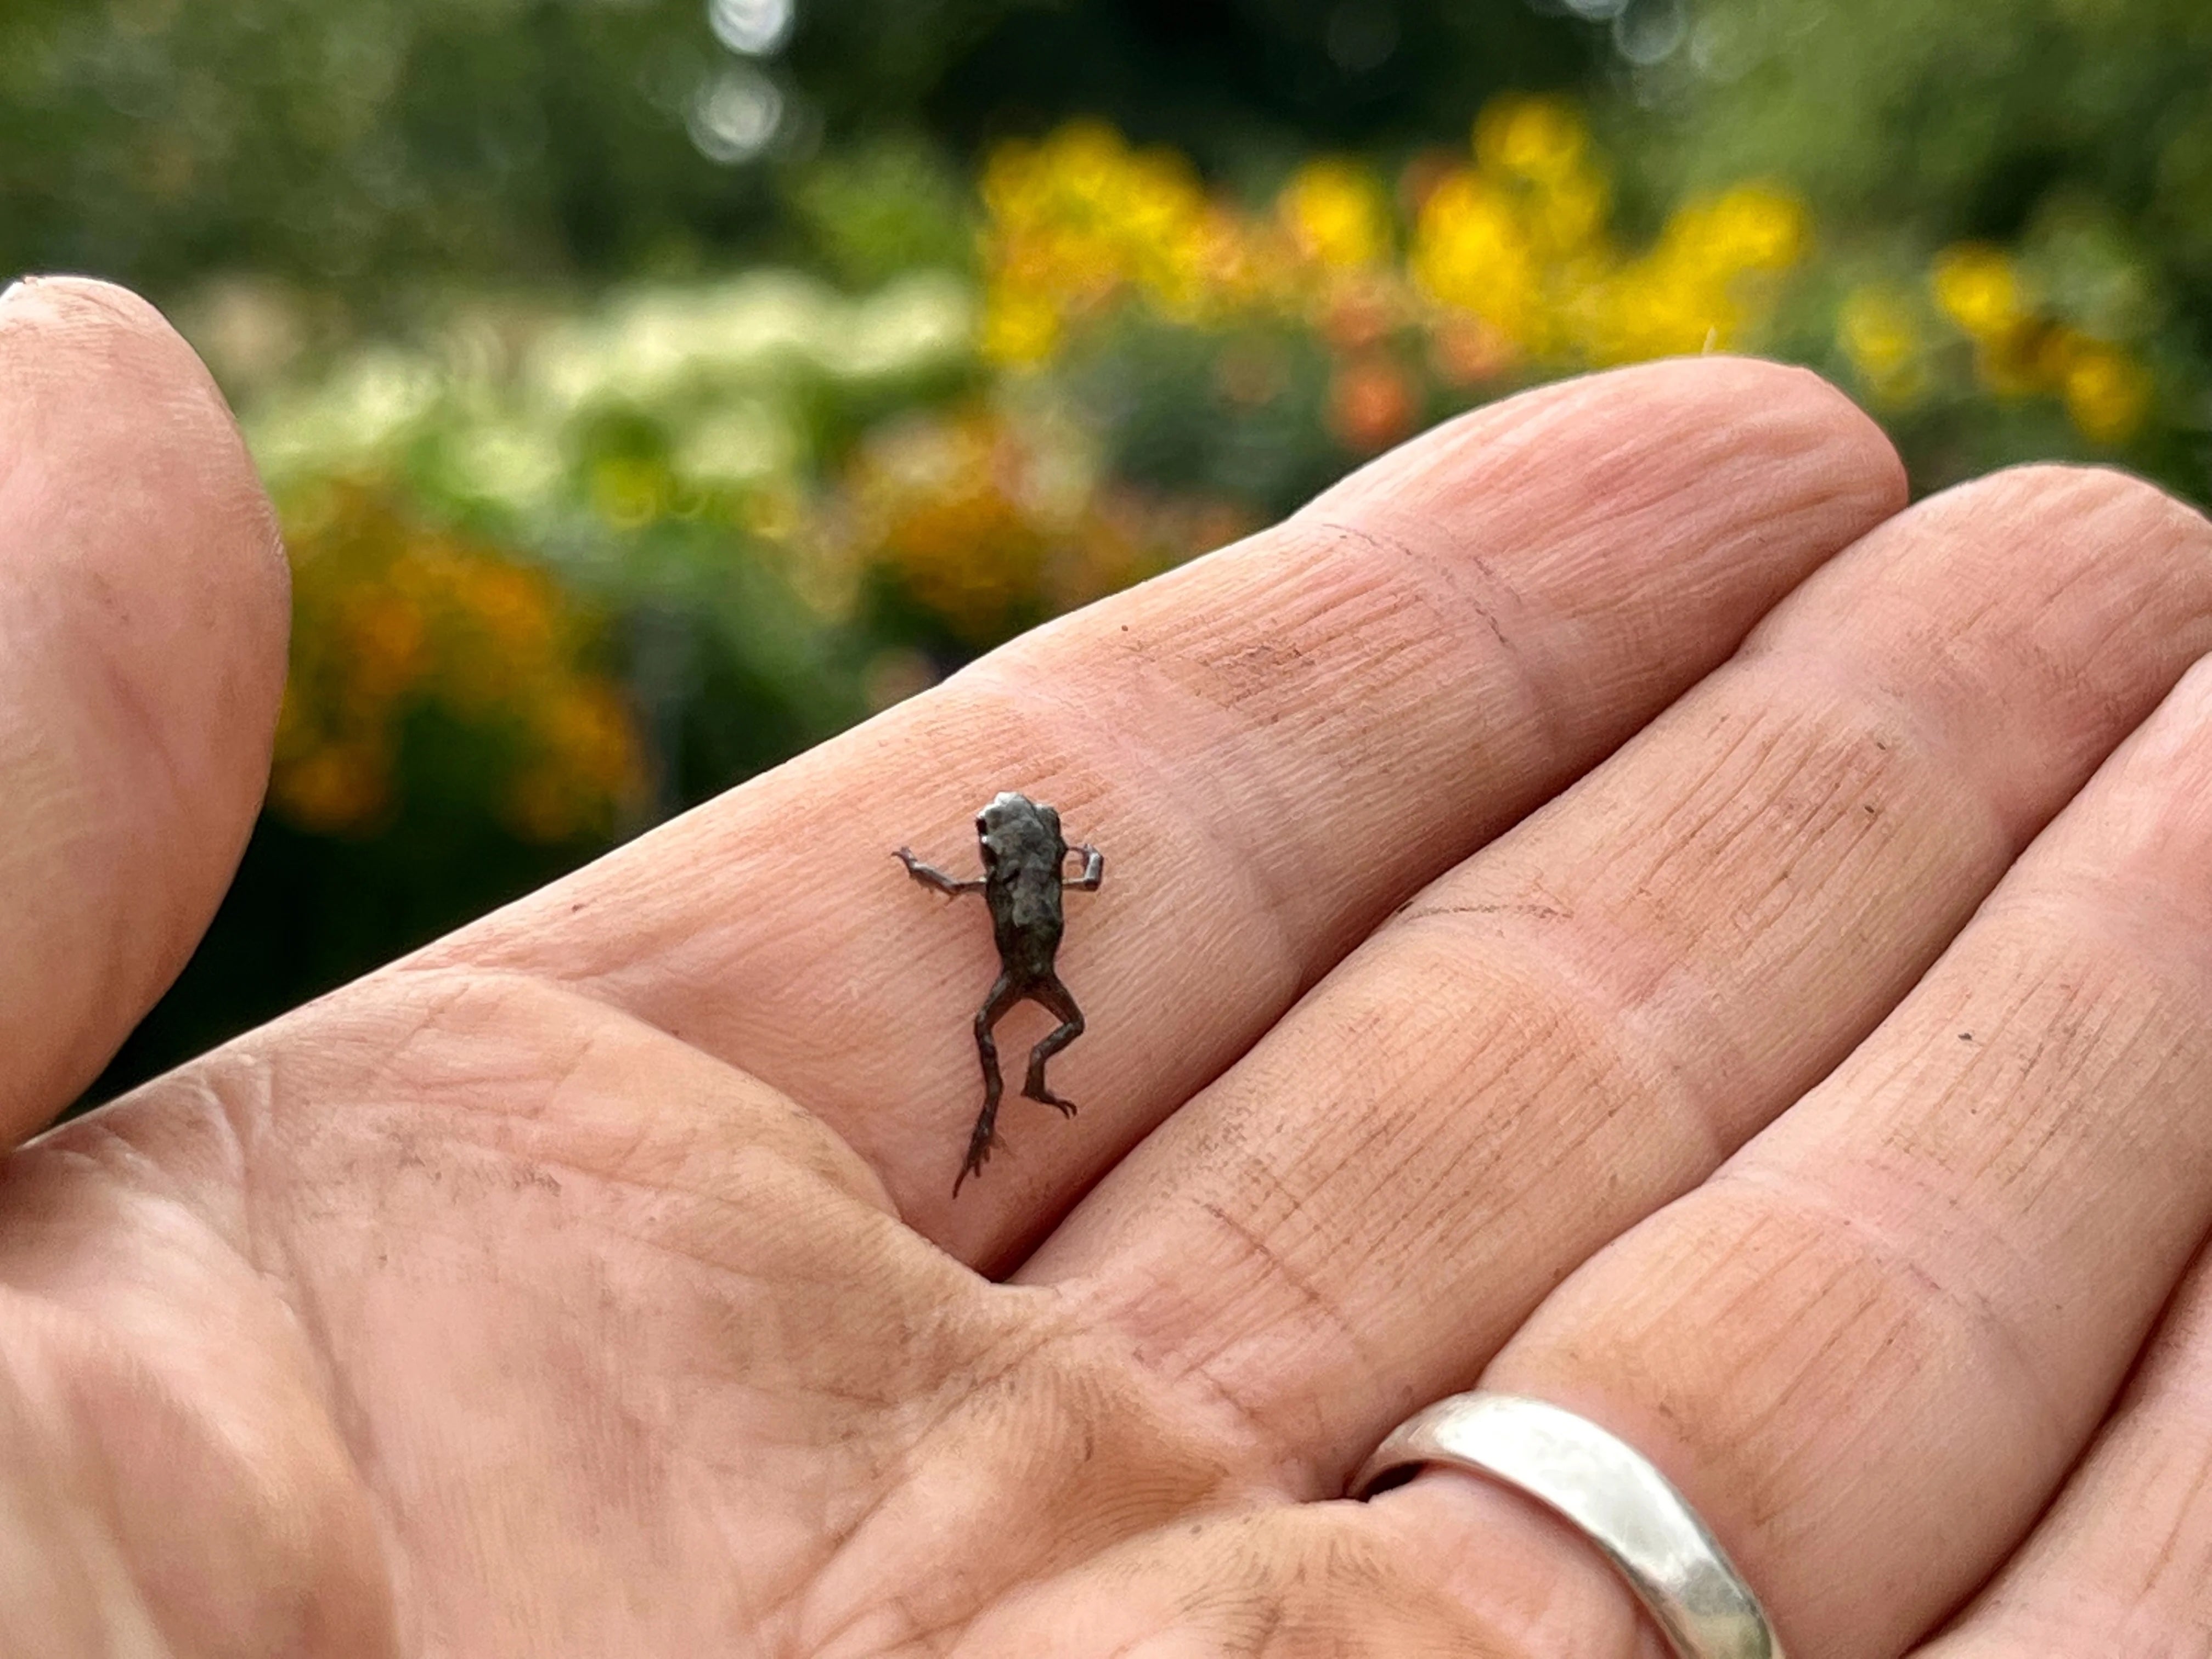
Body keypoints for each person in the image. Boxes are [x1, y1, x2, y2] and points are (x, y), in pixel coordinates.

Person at [2, 272, 2208, 1657]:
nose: (1010, 847)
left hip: (1050, 979)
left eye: (1013, 839)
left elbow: (1003, 893)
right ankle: (1011, 1101)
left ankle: (1012, 1100)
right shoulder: (1015, 868)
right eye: (1008, 843)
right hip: (1045, 981)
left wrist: (993, 911)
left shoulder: (1016, 868)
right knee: (1006, 1033)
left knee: (1012, 1029)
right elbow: (999, 893)